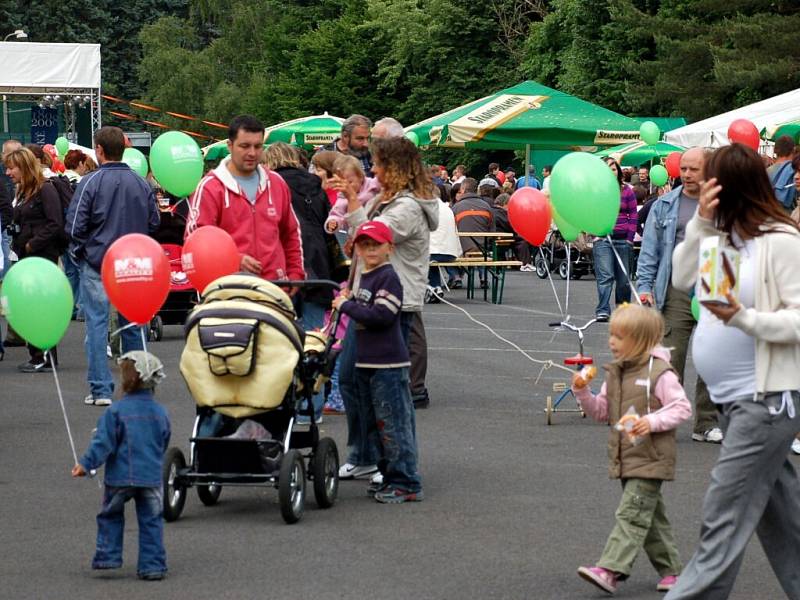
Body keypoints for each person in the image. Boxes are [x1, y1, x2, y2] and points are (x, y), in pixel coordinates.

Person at [666, 143, 800, 599]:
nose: (696, 185)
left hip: (764, 400)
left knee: (723, 517)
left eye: (706, 178)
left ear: (728, 186)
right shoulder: (721, 237)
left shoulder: (781, 242)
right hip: (732, 401)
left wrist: (745, 318)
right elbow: (684, 280)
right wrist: (701, 224)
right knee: (786, 521)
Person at [333, 136, 438, 480]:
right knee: (352, 379)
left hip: (393, 305)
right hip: (368, 299)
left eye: (378, 164)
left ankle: (393, 464)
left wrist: (350, 200)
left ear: (394, 168)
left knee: (388, 392)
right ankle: (366, 453)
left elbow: (371, 236)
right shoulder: (387, 198)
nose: (373, 170)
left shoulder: (406, 208)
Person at [573, 304, 691, 595]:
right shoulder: (615, 373)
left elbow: (682, 408)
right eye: (611, 335)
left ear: (641, 341)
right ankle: (674, 572)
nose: (611, 341)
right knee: (649, 517)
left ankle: (611, 569)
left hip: (652, 457)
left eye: (619, 336)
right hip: (627, 455)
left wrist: (651, 421)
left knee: (631, 514)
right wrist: (581, 392)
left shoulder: (660, 373)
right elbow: (602, 412)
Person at [66, 126, 160, 407]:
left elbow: (74, 225)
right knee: (133, 324)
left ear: (99, 150)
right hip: (132, 262)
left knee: (96, 325)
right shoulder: (141, 183)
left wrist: (82, 250)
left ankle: (100, 389)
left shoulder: (90, 183)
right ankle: (138, 386)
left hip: (98, 261)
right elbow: (154, 222)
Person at [333, 220, 423, 504]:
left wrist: (347, 305)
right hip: (367, 363)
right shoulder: (367, 277)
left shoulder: (388, 278)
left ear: (389, 248)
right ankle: (387, 474)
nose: (370, 250)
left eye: (376, 245)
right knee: (375, 425)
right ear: (356, 249)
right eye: (365, 245)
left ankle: (406, 480)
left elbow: (382, 316)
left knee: (392, 424)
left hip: (387, 365)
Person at [637, 147, 721, 444]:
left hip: (715, 288)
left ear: (708, 170)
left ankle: (706, 423)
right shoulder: (664, 205)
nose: (685, 174)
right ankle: (667, 418)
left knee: (712, 358)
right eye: (683, 168)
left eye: (693, 169)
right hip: (677, 289)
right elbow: (650, 252)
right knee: (672, 356)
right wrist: (645, 288)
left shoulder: (723, 204)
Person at [72, 351, 170, 581]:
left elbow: (103, 443)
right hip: (150, 476)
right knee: (151, 520)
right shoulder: (160, 413)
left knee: (110, 515)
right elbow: (164, 439)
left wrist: (85, 464)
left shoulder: (115, 411)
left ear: (124, 381)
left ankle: (108, 556)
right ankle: (152, 565)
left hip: (120, 476)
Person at [186, 115, 305, 283]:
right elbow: (196, 241)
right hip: (228, 290)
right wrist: (235, 258)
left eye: (258, 146)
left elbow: (291, 233)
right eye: (245, 146)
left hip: (275, 288)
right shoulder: (210, 187)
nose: (252, 153)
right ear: (230, 146)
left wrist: (295, 273)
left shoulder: (277, 183)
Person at [264, 141, 335, 423]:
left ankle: (279, 403)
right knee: (314, 340)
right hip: (318, 267)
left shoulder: (270, 185)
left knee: (279, 339)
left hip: (284, 267)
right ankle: (312, 407)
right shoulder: (316, 186)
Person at [4, 147, 65, 372]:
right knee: (30, 305)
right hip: (27, 256)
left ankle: (45, 355)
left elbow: (54, 223)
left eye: (11, 168)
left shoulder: (45, 190)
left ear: (24, 167)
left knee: (41, 307)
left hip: (41, 257)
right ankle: (37, 354)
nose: (8, 173)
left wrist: (32, 243)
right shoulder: (23, 192)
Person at [593, 158, 638, 321]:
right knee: (605, 277)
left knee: (624, 279)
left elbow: (633, 214)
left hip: (623, 239)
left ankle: (623, 309)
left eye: (613, 168)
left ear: (618, 171)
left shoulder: (627, 190)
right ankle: (603, 309)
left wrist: (630, 238)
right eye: (607, 169)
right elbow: (590, 213)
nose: (611, 171)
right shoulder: (596, 191)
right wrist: (595, 234)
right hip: (603, 240)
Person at [324, 154, 380, 235]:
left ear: (360, 176)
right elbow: (336, 214)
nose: (346, 186)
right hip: (360, 229)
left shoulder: (371, 184)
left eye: (350, 182)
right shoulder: (343, 199)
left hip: (377, 221)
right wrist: (332, 223)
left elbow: (383, 182)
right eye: (341, 182)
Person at [427, 187, 461, 300]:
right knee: (431, 258)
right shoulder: (448, 209)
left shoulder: (429, 208)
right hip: (451, 252)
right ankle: (435, 287)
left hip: (435, 252)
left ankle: (432, 287)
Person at [767, 134, 796, 213]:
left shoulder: (765, 172)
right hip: (790, 218)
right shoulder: (795, 171)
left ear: (775, 150)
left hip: (770, 216)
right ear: (793, 149)